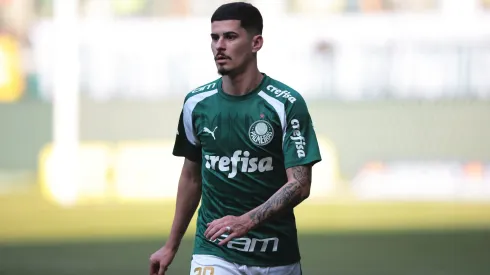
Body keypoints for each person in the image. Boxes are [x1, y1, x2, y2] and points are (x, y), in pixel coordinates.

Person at [149, 2, 322, 275]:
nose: (220, 46)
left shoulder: (285, 104)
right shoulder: (197, 103)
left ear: (256, 43)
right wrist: (171, 245)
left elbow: (300, 185)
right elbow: (192, 177)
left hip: (276, 256)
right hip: (214, 253)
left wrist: (246, 221)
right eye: (214, 37)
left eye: (230, 37)